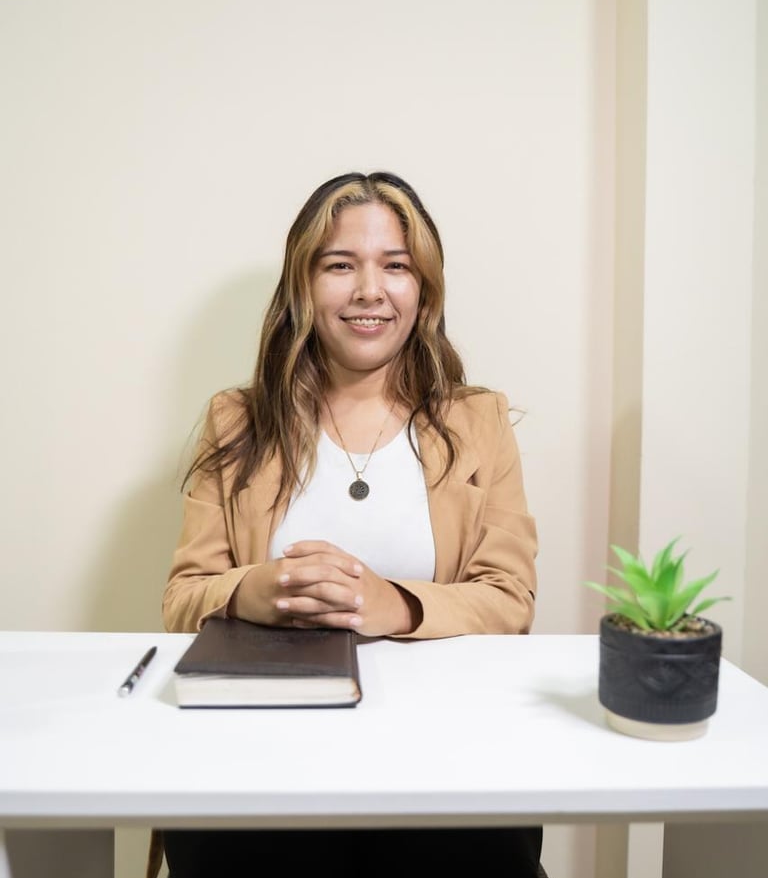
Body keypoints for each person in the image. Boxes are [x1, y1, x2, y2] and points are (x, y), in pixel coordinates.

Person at [153, 171, 542, 877]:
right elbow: (183, 597)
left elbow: (510, 598)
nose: (370, 290)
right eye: (340, 265)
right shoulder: (236, 419)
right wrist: (252, 592)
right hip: (261, 754)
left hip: (443, 754)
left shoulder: (478, 421)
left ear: (423, 288)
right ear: (304, 286)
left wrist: (392, 602)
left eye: (395, 266)